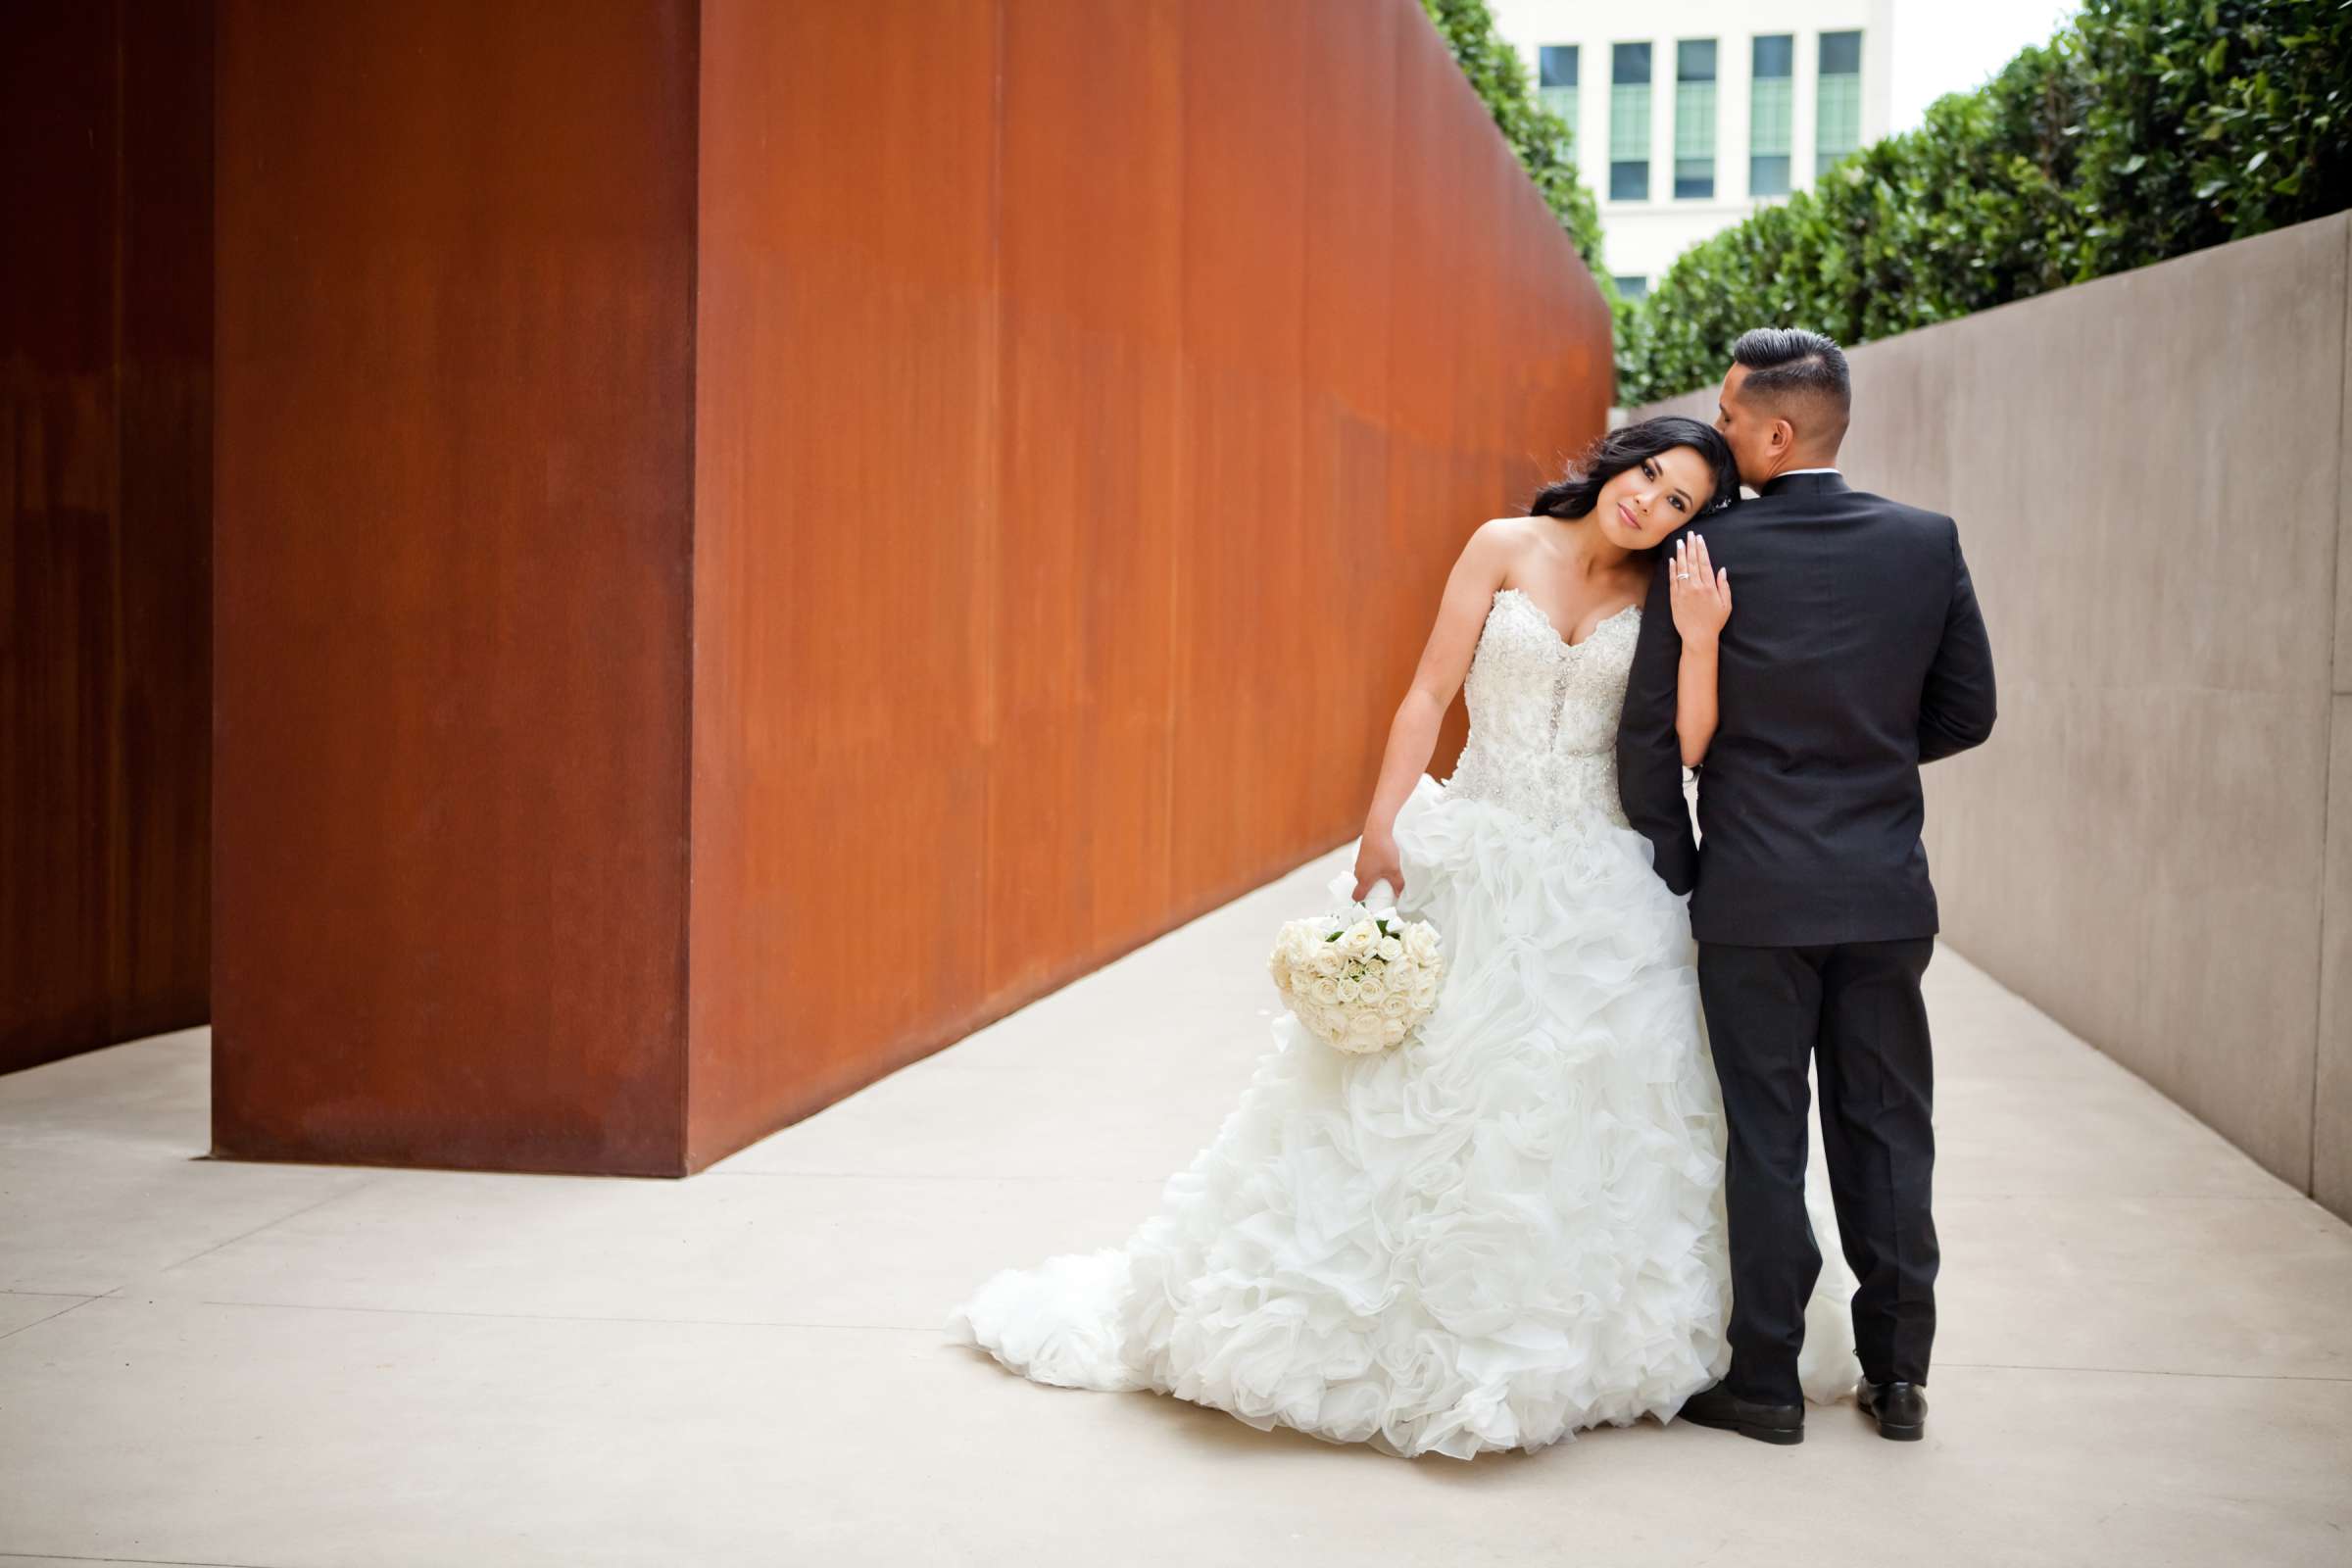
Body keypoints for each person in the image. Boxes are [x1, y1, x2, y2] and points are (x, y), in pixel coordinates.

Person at [947, 416, 1858, 1460]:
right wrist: (1382, 824)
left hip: (1597, 875)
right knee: (1404, 1090)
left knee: (1575, 1107)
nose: (1648, 500)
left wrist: (1701, 640)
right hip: (1470, 844)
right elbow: (1429, 691)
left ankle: (1550, 1337)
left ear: (1690, 523)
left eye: (1679, 500)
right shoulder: (1502, 544)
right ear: (1620, 463)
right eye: (1647, 472)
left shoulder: (1662, 600)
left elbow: (1691, 747)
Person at [1619, 328, 1996, 1446]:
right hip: (1882, 893)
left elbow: (1652, 746)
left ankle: (1768, 1383)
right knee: (1886, 1134)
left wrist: (1689, 872)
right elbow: (1966, 713)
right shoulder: (1926, 544)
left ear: (1777, 431)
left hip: (1753, 896)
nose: (1721, 433)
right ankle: (1899, 1378)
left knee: (1766, 1137)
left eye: (1732, 418)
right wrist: (1866, 755)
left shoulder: (1704, 554)